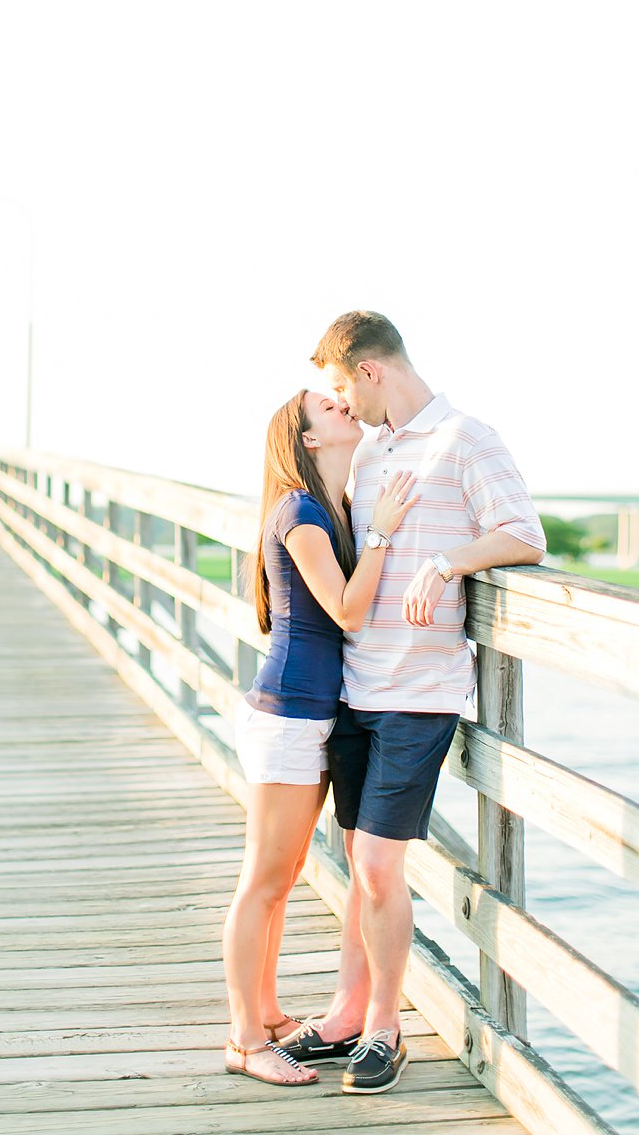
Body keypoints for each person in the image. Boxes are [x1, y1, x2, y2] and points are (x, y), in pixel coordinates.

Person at [277, 311, 545, 1094]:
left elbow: (522, 534)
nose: (340, 404)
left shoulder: (465, 438)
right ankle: (344, 1012)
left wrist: (451, 561)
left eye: (338, 387)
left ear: (367, 371)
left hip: (418, 695)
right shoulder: (374, 452)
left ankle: (386, 1027)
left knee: (378, 865)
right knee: (360, 868)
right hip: (358, 686)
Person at [221, 389, 416, 1086]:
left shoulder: (329, 508)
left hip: (312, 713)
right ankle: (245, 1039)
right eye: (330, 408)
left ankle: (267, 1013)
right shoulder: (301, 512)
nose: (346, 407)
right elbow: (348, 609)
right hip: (288, 716)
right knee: (265, 882)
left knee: (281, 878)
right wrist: (386, 534)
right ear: (309, 440)